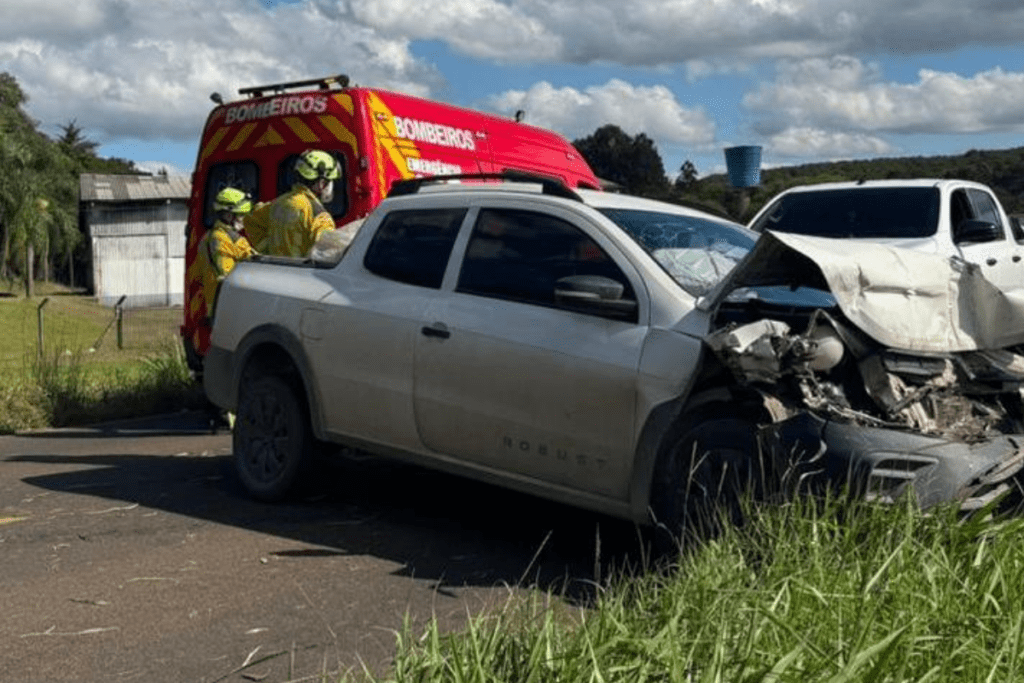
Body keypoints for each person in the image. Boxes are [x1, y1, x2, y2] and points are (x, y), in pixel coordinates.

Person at [243, 149, 339, 257]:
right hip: (300, 273)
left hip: (275, 271)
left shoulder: (280, 203)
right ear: (322, 184)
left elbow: (250, 219)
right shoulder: (318, 215)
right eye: (330, 181)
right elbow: (328, 253)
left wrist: (267, 249)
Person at [198, 187, 255, 322]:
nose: (243, 219)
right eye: (240, 215)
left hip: (223, 306)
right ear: (229, 215)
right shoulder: (222, 238)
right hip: (226, 309)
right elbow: (229, 276)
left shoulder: (215, 237)